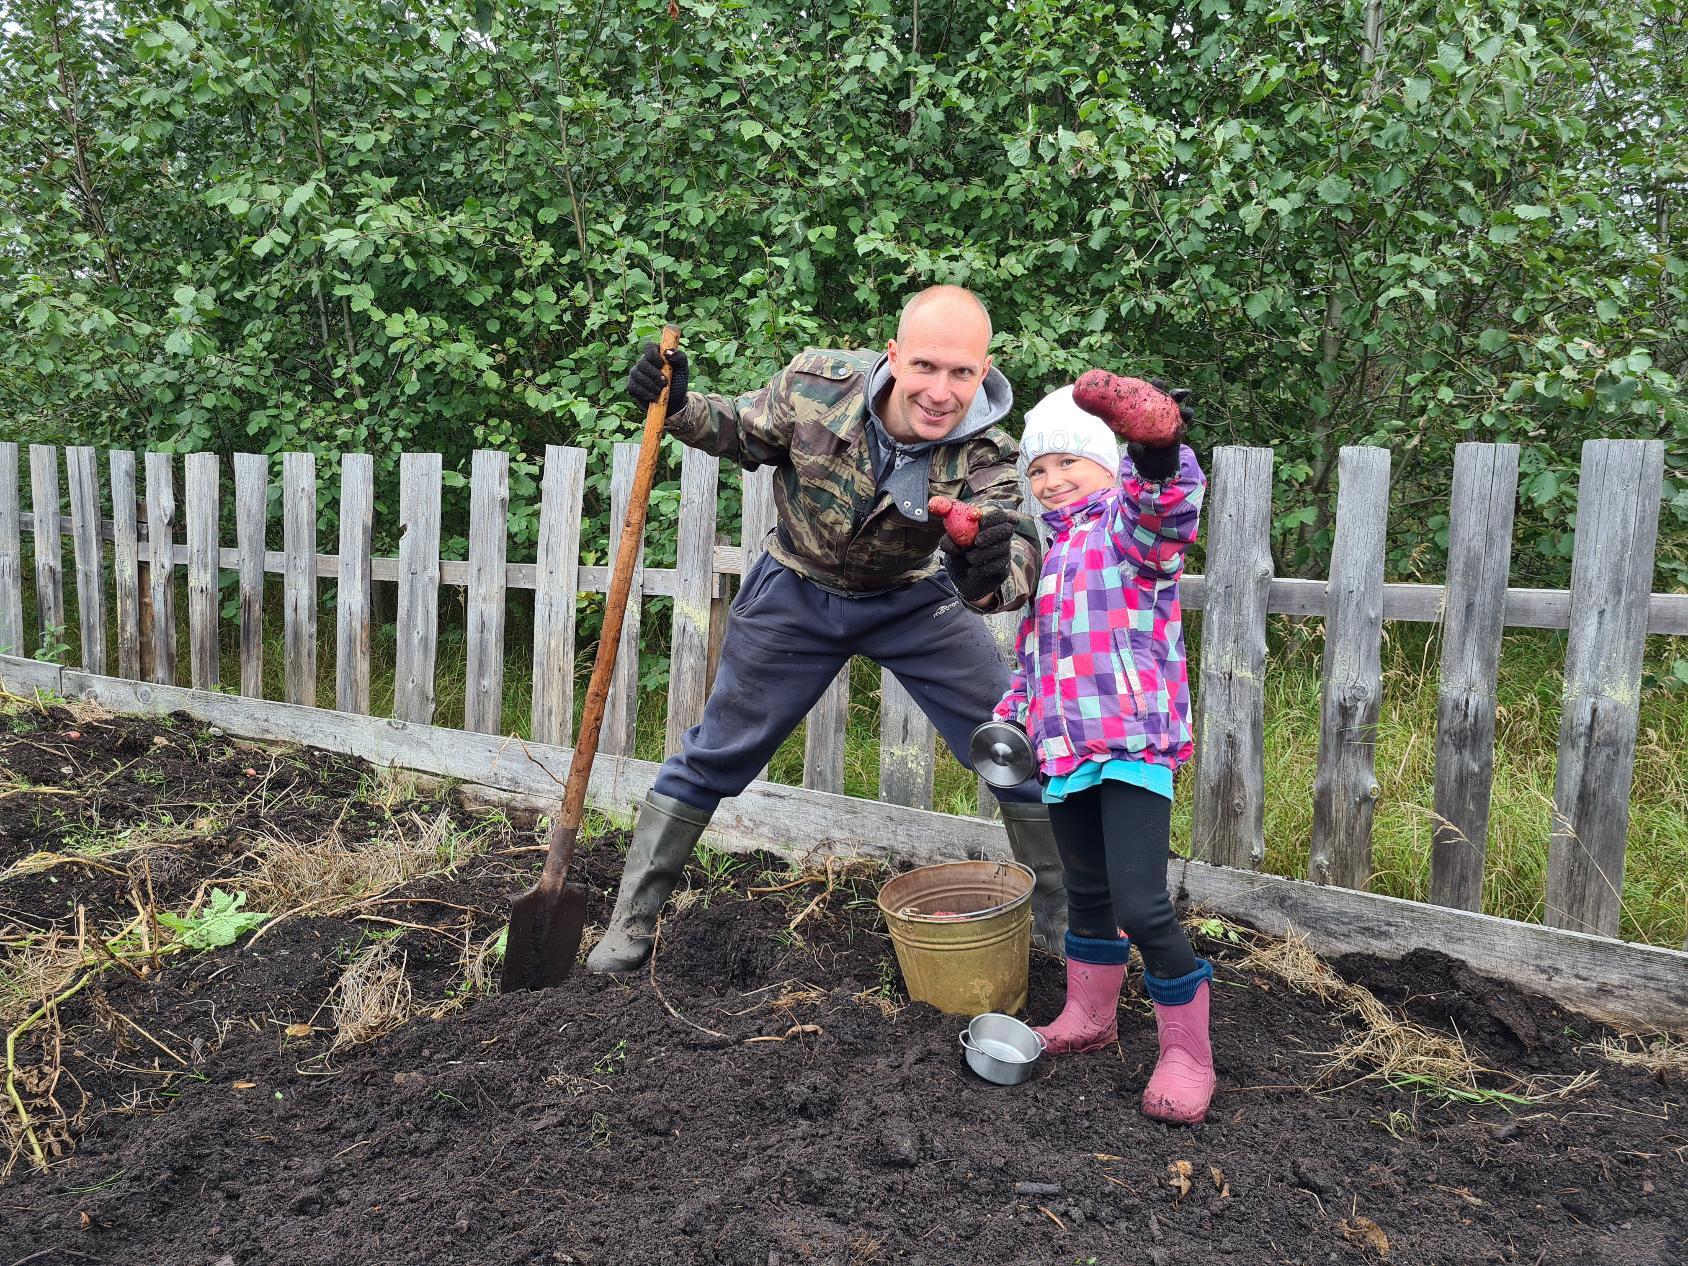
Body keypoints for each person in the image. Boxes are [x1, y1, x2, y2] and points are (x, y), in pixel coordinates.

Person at [586, 285, 1069, 974]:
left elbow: (1012, 559)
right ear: (894, 357)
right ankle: (629, 924)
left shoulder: (988, 455)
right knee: (715, 753)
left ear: (984, 371)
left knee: (1013, 750)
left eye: (962, 373)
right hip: (798, 588)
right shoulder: (817, 386)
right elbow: (737, 431)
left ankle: (1061, 931)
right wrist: (677, 403)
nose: (941, 390)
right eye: (926, 366)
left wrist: (986, 566)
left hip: (915, 600)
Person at [991, 377, 1217, 1125]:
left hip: (1130, 744)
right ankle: (1090, 1018)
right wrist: (1009, 720)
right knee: (1086, 894)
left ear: (1107, 465)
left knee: (1143, 904)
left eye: (1068, 463)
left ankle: (1187, 1054)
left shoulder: (1129, 531)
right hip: (1064, 751)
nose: (1051, 482)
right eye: (1038, 470)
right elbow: (1033, 660)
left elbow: (1168, 507)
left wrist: (1156, 449)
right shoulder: (1052, 559)